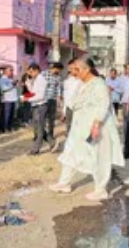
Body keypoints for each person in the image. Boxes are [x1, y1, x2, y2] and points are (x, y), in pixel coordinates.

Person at [51, 57, 124, 200]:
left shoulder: (99, 84)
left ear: (86, 69)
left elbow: (103, 106)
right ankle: (64, 183)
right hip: (79, 127)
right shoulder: (81, 84)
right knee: (70, 153)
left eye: (76, 70)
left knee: (99, 157)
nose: (73, 73)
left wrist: (96, 125)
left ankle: (101, 189)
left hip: (96, 127)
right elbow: (74, 103)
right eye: (72, 70)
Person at [22, 64, 52, 155]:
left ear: (36, 70)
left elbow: (40, 96)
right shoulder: (36, 79)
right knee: (37, 128)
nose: (30, 73)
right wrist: (28, 82)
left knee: (39, 129)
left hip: (40, 105)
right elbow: (33, 92)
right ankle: (52, 142)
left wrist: (28, 99)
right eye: (29, 72)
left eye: (31, 72)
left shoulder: (41, 80)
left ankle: (35, 149)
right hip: (36, 106)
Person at [61, 59, 82, 147]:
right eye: (69, 69)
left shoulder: (83, 80)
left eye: (71, 68)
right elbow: (66, 97)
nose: (70, 70)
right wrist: (64, 111)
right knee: (69, 128)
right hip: (69, 108)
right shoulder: (67, 81)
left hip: (80, 109)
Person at [44, 62, 63, 151]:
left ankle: (50, 134)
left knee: (51, 119)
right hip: (44, 100)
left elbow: (58, 88)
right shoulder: (44, 74)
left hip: (53, 100)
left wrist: (58, 99)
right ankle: (41, 136)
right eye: (58, 69)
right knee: (42, 119)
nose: (59, 71)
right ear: (55, 68)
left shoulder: (58, 77)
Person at [0, 67, 19, 133]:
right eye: (11, 71)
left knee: (11, 115)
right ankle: (5, 128)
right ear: (6, 72)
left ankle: (10, 127)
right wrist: (13, 84)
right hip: (7, 100)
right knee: (6, 115)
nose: (12, 72)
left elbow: (14, 87)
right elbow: (4, 89)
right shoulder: (2, 80)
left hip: (12, 99)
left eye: (12, 71)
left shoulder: (10, 79)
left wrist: (15, 84)